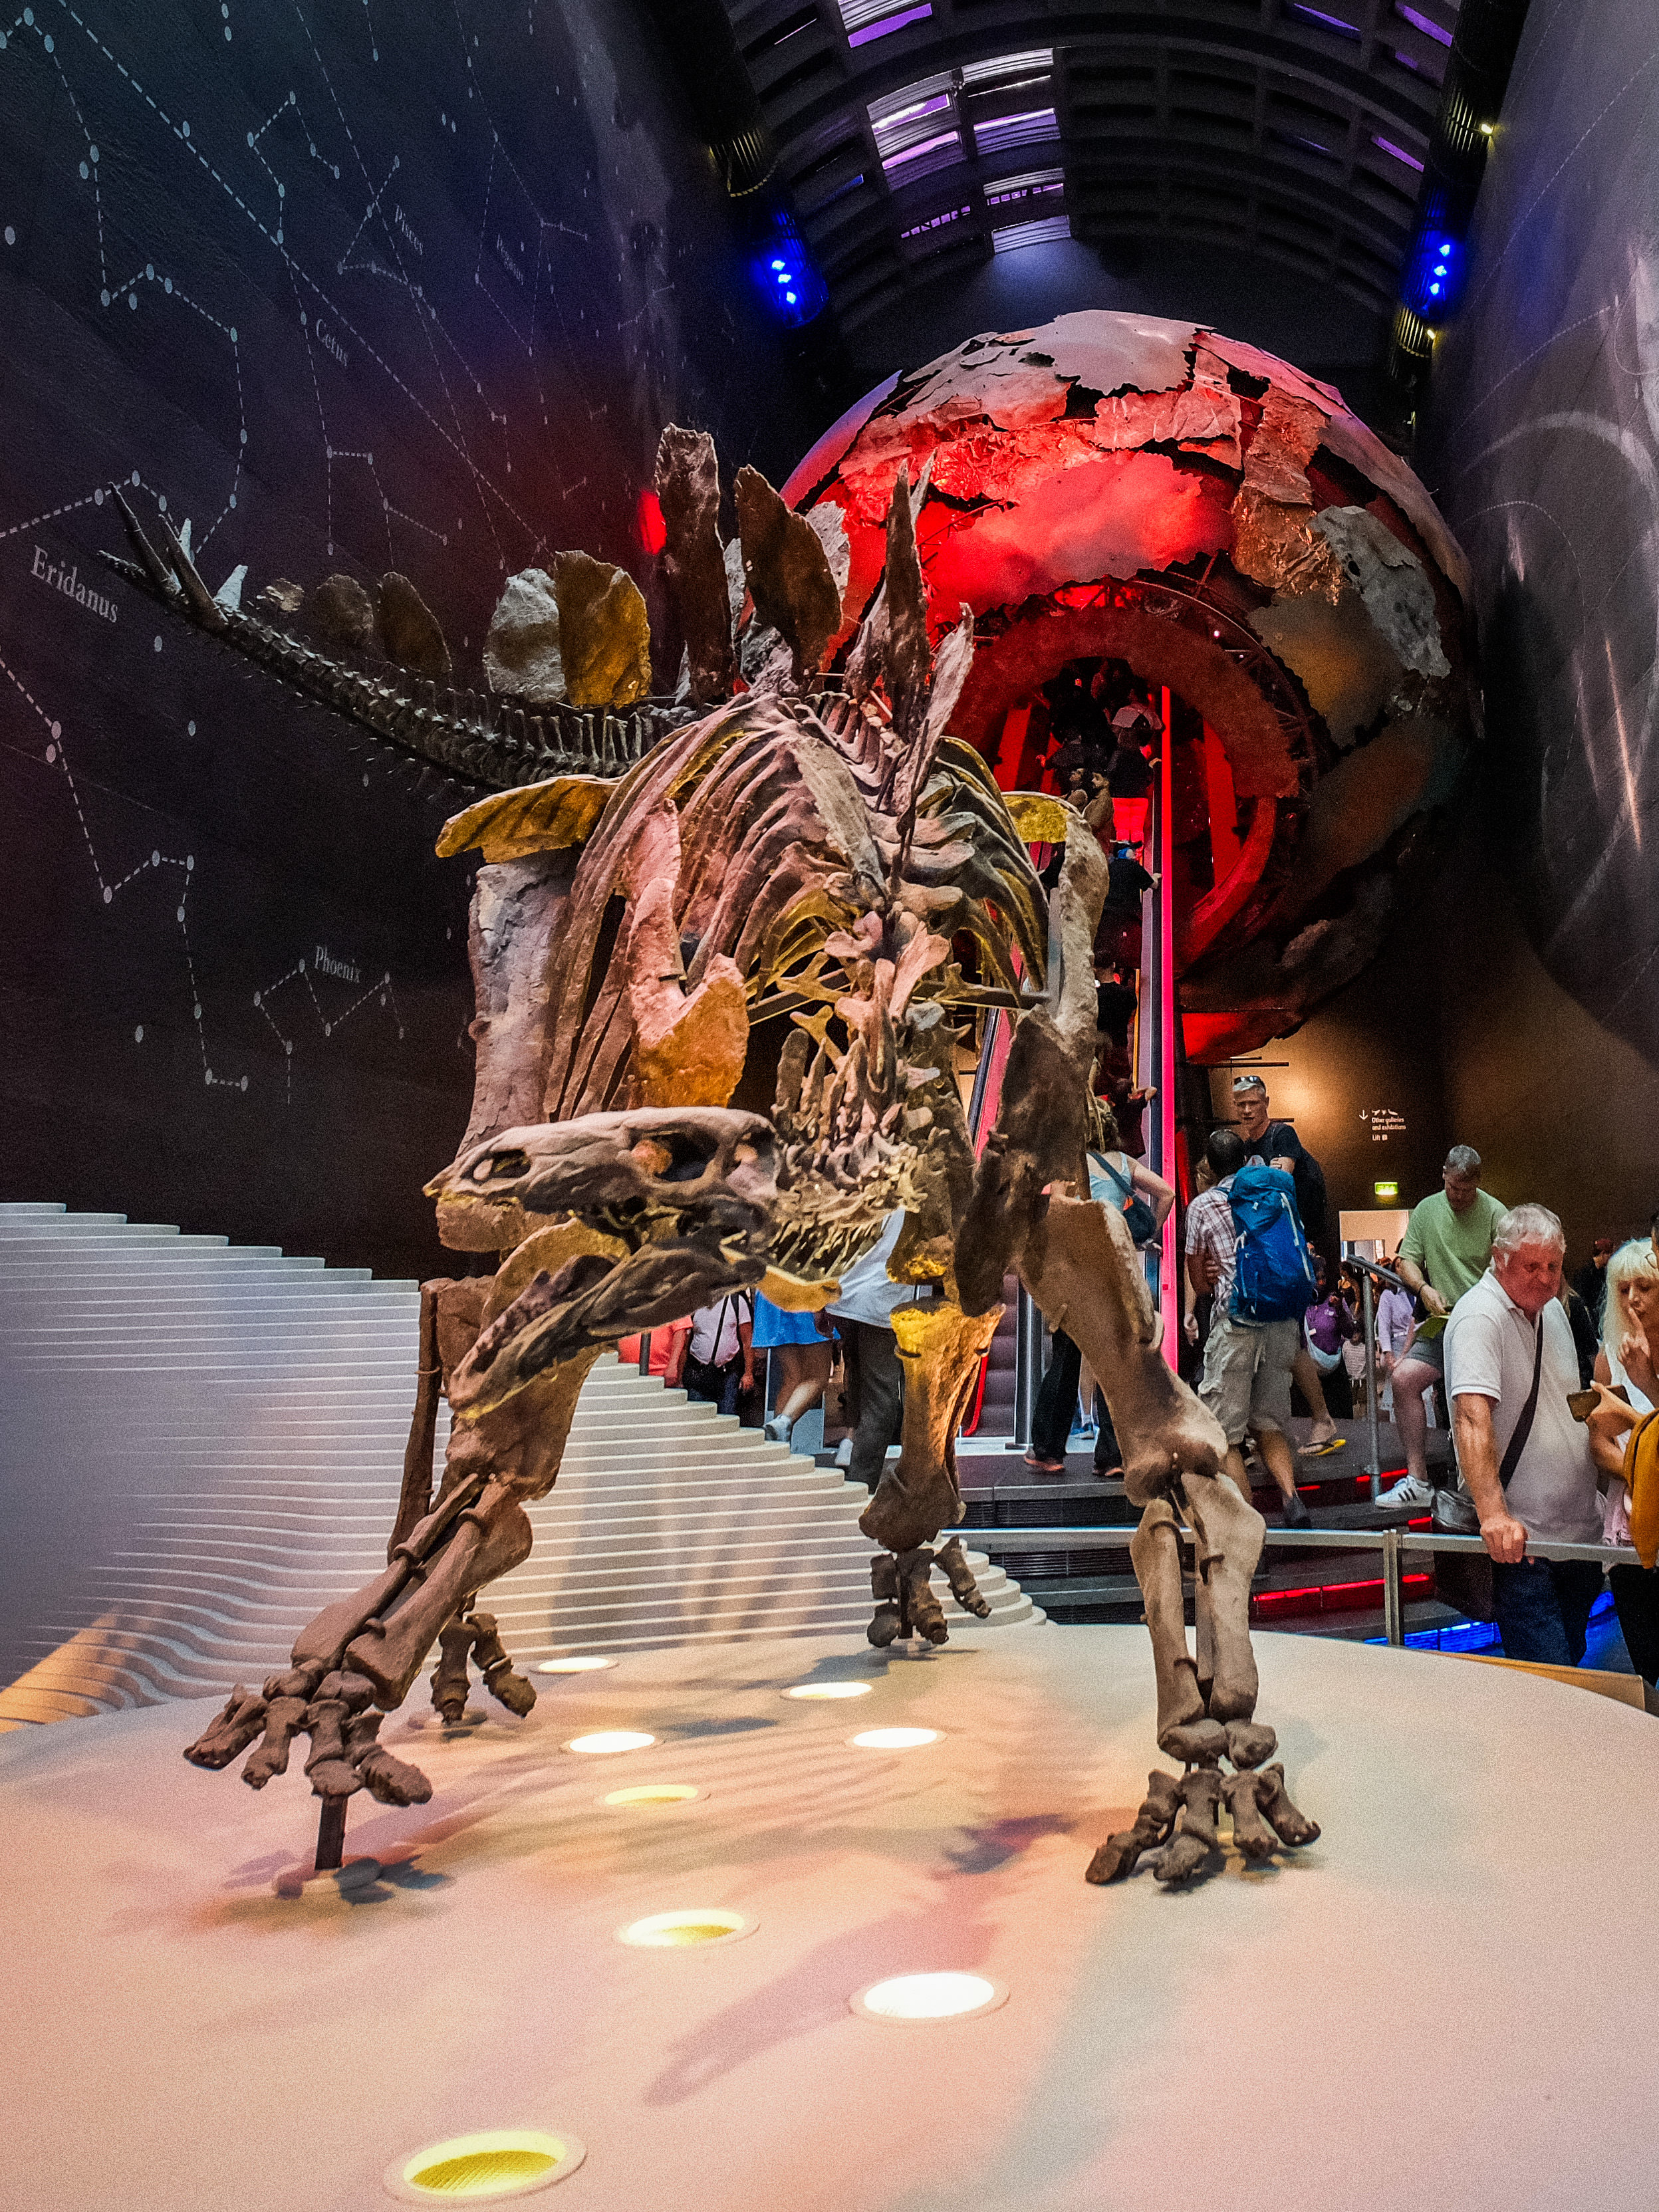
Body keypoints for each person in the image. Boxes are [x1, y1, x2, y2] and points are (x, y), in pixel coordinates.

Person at [1444, 1203, 1604, 1664]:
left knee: (1572, 1669)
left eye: (1553, 1265)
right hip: (1524, 1548)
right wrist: (1494, 1515)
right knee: (1549, 1681)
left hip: (1578, 1538)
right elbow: (1471, 1418)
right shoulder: (1480, 1317)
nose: (1545, 1277)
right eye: (1532, 1266)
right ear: (1500, 1258)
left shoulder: (1553, 1310)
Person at [1027, 1110, 1174, 1474]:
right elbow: (1167, 1192)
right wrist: (1145, 1234)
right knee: (1115, 1364)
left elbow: (1058, 1209)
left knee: (1065, 1360)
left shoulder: (1068, 1166)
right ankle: (1112, 1456)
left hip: (1076, 1278)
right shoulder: (1124, 1163)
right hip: (1115, 1276)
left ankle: (1048, 1451)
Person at [1185, 1126, 1310, 1528]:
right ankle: (1292, 1500)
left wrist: (1213, 1272)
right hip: (1281, 1322)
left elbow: (1200, 1284)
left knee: (1226, 1436)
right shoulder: (1274, 1193)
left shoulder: (1202, 1207)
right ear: (1244, 1160)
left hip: (1236, 1323)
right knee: (1268, 1423)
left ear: (1209, 1165)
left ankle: (1250, 1528)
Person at [1378, 1146, 1506, 1509]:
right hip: (1443, 1322)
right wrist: (1423, 1288)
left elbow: (1507, 1270)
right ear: (1444, 1176)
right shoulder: (1427, 1209)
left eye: (1466, 1190)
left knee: (1474, 1399)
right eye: (1452, 1187)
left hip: (1483, 1324)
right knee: (1404, 1380)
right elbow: (1406, 1261)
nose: (1458, 1196)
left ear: (1478, 1183)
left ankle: (1490, 1483)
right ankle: (1418, 1480)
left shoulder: (1496, 1214)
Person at [1229, 1074, 1341, 1455]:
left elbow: (1277, 1184)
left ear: (1266, 1102)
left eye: (1253, 1103)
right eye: (1241, 1104)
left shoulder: (1282, 1136)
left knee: (1290, 1339)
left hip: (1294, 1250)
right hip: (1267, 1254)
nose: (1247, 1110)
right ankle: (1263, 1428)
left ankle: (1321, 1419)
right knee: (1271, 1338)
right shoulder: (1248, 1147)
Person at [1586, 1239, 1659, 1685]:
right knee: (1646, 1659)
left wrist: (1646, 1381)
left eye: (1644, 1287)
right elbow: (1598, 1445)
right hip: (1629, 1520)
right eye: (1623, 1288)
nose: (1633, 1298)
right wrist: (1639, 1471)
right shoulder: (1609, 1356)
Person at [829, 1211, 930, 1493]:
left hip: (846, 1299)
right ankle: (862, 1484)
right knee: (882, 1401)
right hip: (883, 1305)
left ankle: (852, 1451)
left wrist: (823, 1302)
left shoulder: (874, 1200)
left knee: (860, 1387)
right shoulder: (913, 1207)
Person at [752, 1287, 832, 1447]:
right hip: (806, 1295)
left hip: (773, 1294)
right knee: (817, 1378)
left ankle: (776, 1446)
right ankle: (782, 1423)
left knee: (792, 1378)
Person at [664, 1291, 755, 1418]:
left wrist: (748, 1373)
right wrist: (679, 1377)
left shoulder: (736, 1302)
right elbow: (685, 1344)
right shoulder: (693, 1304)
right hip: (698, 1373)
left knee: (726, 1419)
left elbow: (747, 1341)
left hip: (727, 1374)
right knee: (697, 1418)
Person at [1303, 1260, 1359, 1421]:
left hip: (1334, 1372)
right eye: (1317, 1278)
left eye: (1324, 1278)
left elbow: (1350, 1333)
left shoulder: (1335, 1301)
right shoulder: (1301, 1303)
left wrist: (1340, 1310)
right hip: (1309, 1371)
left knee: (1339, 1419)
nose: (1322, 1282)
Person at [1573, 1235, 1616, 1334]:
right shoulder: (1585, 1272)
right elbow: (1581, 1298)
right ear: (1603, 1254)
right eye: (1609, 1255)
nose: (1610, 1259)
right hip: (1589, 1319)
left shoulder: (1602, 1272)